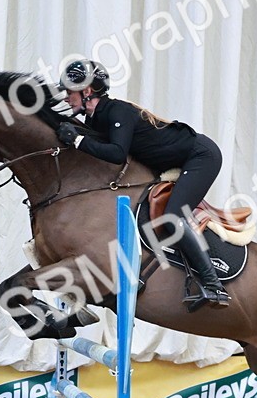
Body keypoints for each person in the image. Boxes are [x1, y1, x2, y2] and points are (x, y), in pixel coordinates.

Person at [53, 59, 230, 309]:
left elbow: (116, 153)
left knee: (172, 215)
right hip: (174, 160)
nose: (65, 98)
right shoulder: (96, 119)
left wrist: (78, 141)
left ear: (87, 91)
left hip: (201, 156)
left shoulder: (117, 111)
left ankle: (214, 286)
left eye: (69, 92)